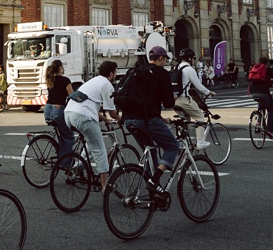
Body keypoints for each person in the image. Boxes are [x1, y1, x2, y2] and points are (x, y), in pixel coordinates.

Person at [122, 47, 181, 183]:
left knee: (150, 151)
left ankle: (151, 186)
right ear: (161, 58)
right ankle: (155, 180)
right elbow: (168, 103)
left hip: (129, 119)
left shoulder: (137, 71)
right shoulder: (161, 73)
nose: (165, 62)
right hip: (147, 120)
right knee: (172, 146)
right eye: (166, 59)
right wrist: (173, 97)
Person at [64, 60, 120, 190]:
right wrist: (120, 118)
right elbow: (112, 112)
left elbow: (89, 106)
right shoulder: (107, 85)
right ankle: (105, 185)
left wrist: (105, 120)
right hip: (83, 117)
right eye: (115, 72)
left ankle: (78, 166)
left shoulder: (93, 81)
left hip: (68, 114)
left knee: (91, 142)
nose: (116, 75)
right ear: (111, 74)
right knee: (99, 149)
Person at [170, 48, 217, 149]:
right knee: (199, 116)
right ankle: (200, 142)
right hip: (184, 100)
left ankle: (181, 144)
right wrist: (209, 92)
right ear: (190, 58)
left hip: (174, 100)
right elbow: (199, 86)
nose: (194, 60)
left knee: (184, 121)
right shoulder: (189, 69)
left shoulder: (176, 68)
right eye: (194, 58)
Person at [248, 55, 273, 139]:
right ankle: (269, 130)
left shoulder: (254, 69)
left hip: (253, 92)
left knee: (261, 104)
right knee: (271, 109)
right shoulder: (268, 70)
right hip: (264, 92)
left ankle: (259, 121)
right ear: (267, 63)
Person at [44, 59, 75, 162]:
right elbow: (72, 96)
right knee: (69, 136)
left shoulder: (50, 80)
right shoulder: (65, 80)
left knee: (63, 135)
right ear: (61, 68)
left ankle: (62, 156)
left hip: (47, 110)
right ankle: (65, 163)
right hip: (57, 110)